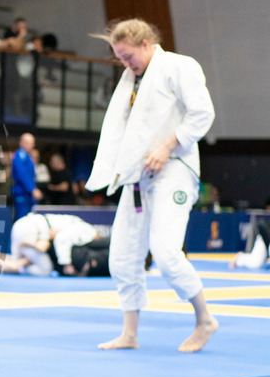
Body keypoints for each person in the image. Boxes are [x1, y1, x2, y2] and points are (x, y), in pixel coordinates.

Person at [86, 18, 217, 352]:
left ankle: (205, 319)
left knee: (166, 253)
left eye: (128, 56)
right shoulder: (131, 81)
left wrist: (167, 145)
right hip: (138, 176)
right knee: (122, 256)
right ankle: (129, 334)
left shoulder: (179, 66)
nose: (125, 64)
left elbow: (202, 113)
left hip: (174, 168)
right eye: (120, 58)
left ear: (145, 43)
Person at [0, 212, 101, 277]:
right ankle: (11, 266)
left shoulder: (72, 221)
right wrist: (67, 264)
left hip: (21, 224)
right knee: (45, 269)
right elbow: (60, 239)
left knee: (22, 259)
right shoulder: (84, 230)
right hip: (32, 230)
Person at [10, 133, 41, 220]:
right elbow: (22, 174)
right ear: (22, 143)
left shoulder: (28, 156)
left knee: (30, 219)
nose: (31, 145)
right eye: (28, 143)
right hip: (22, 193)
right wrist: (32, 189)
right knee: (22, 220)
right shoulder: (20, 156)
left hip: (28, 195)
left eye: (32, 143)